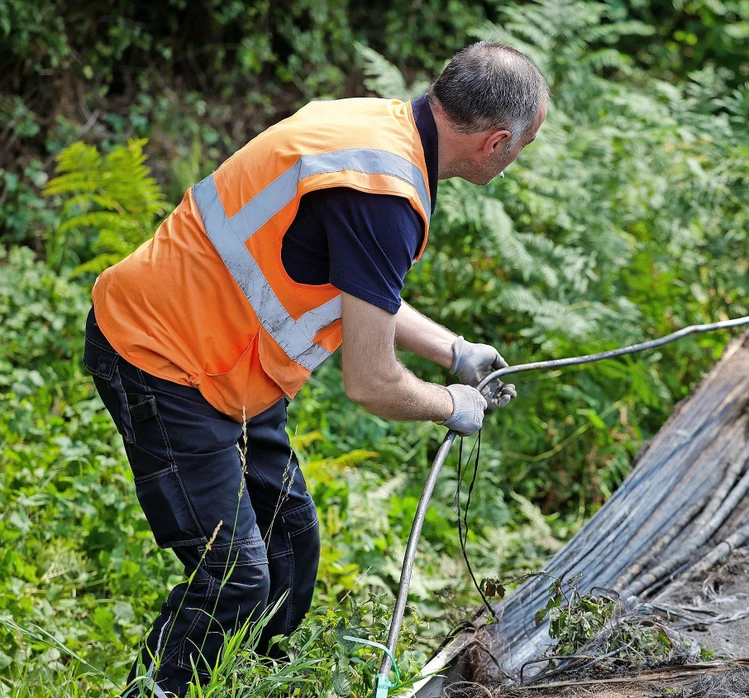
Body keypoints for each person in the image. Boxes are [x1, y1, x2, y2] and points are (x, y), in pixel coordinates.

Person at [82, 41, 549, 696]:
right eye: (522, 148)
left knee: (289, 550)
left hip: (226, 362)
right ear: (496, 141)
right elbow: (370, 381)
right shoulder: (384, 196)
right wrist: (450, 404)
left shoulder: (379, 129)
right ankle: (159, 689)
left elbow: (359, 286)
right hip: (162, 357)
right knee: (235, 579)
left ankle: (236, 677)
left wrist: (452, 349)